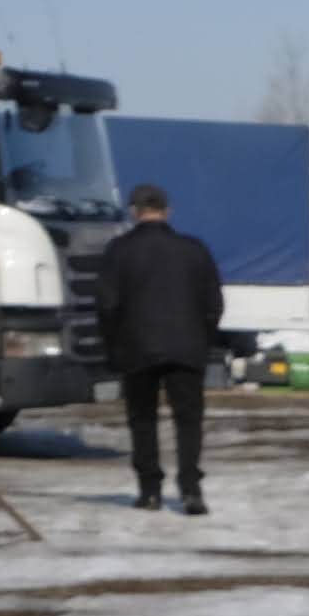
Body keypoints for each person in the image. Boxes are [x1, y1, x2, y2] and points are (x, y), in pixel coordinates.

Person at [93, 181, 225, 513]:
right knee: (188, 421)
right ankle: (191, 491)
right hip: (187, 348)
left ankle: (150, 490)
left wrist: (113, 347)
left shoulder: (119, 250)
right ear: (167, 212)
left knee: (143, 420)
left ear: (134, 212)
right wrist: (202, 339)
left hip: (137, 347)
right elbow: (214, 304)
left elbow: (107, 305)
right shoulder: (194, 250)